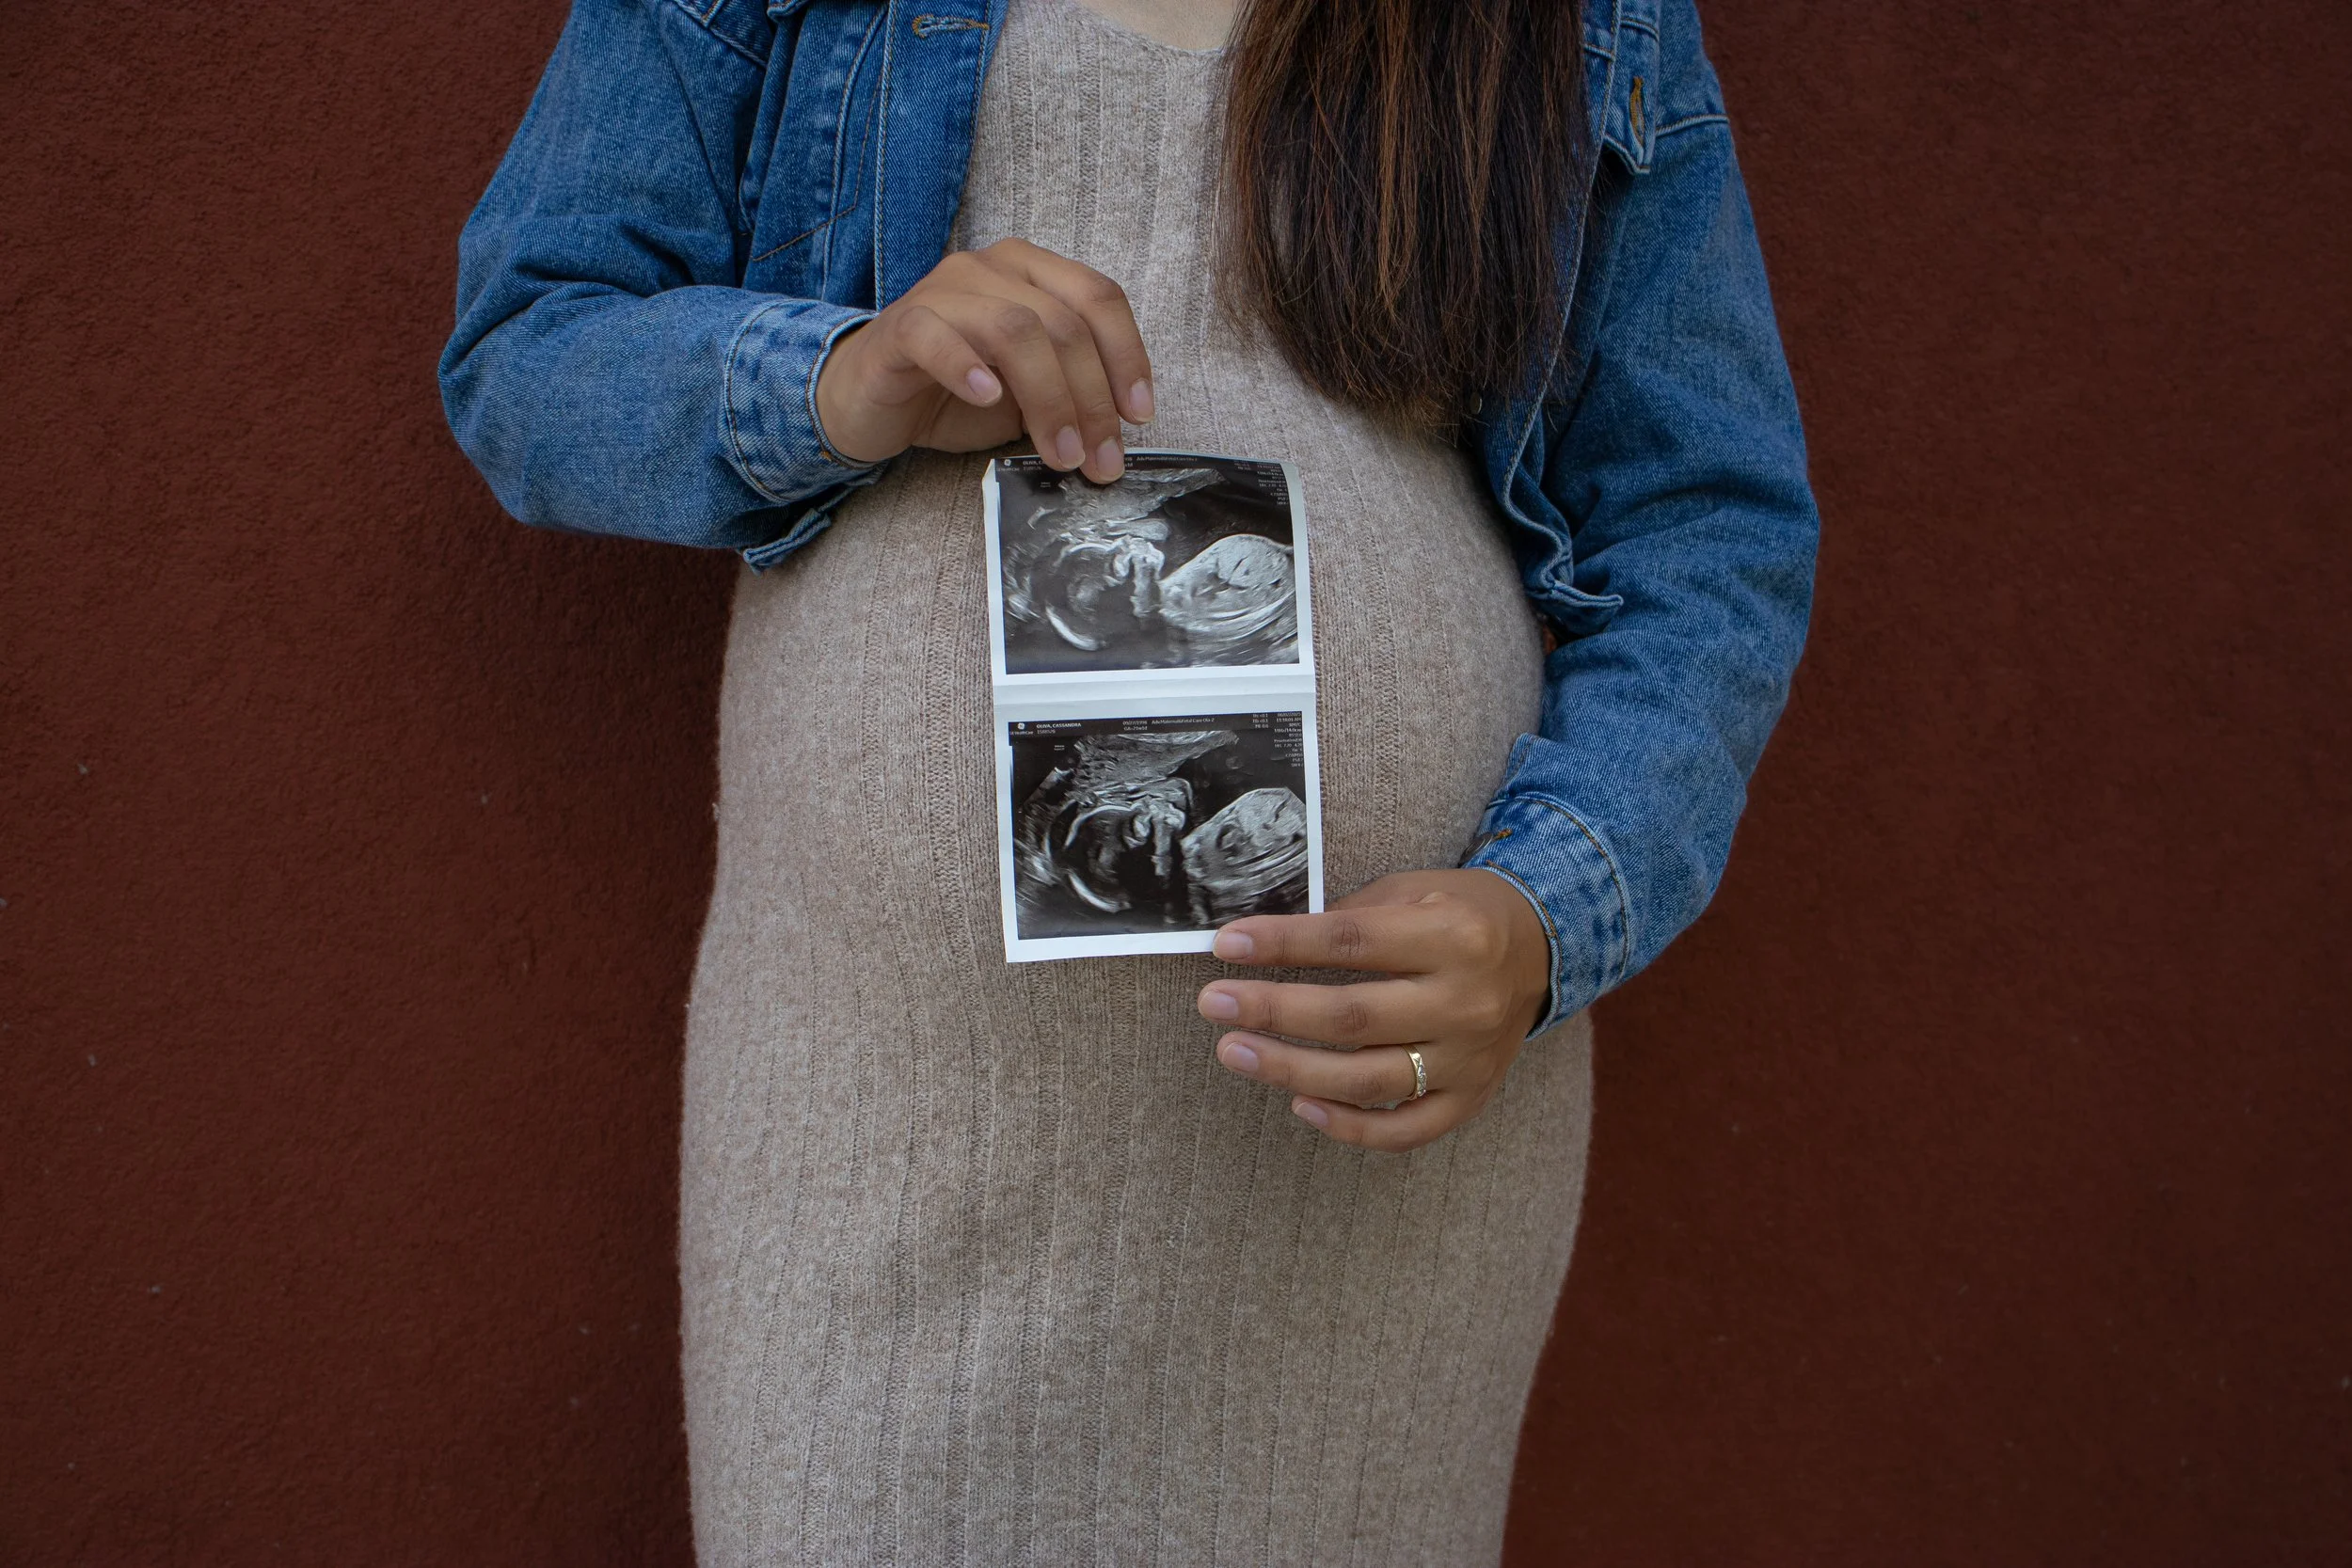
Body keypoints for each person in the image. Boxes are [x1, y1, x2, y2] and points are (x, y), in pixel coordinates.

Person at [439, 0, 1816, 1560]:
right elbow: (527, 348)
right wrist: (845, 374)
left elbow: (1707, 528)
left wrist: (1546, 911)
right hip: (884, 1120)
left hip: (1370, 1155)